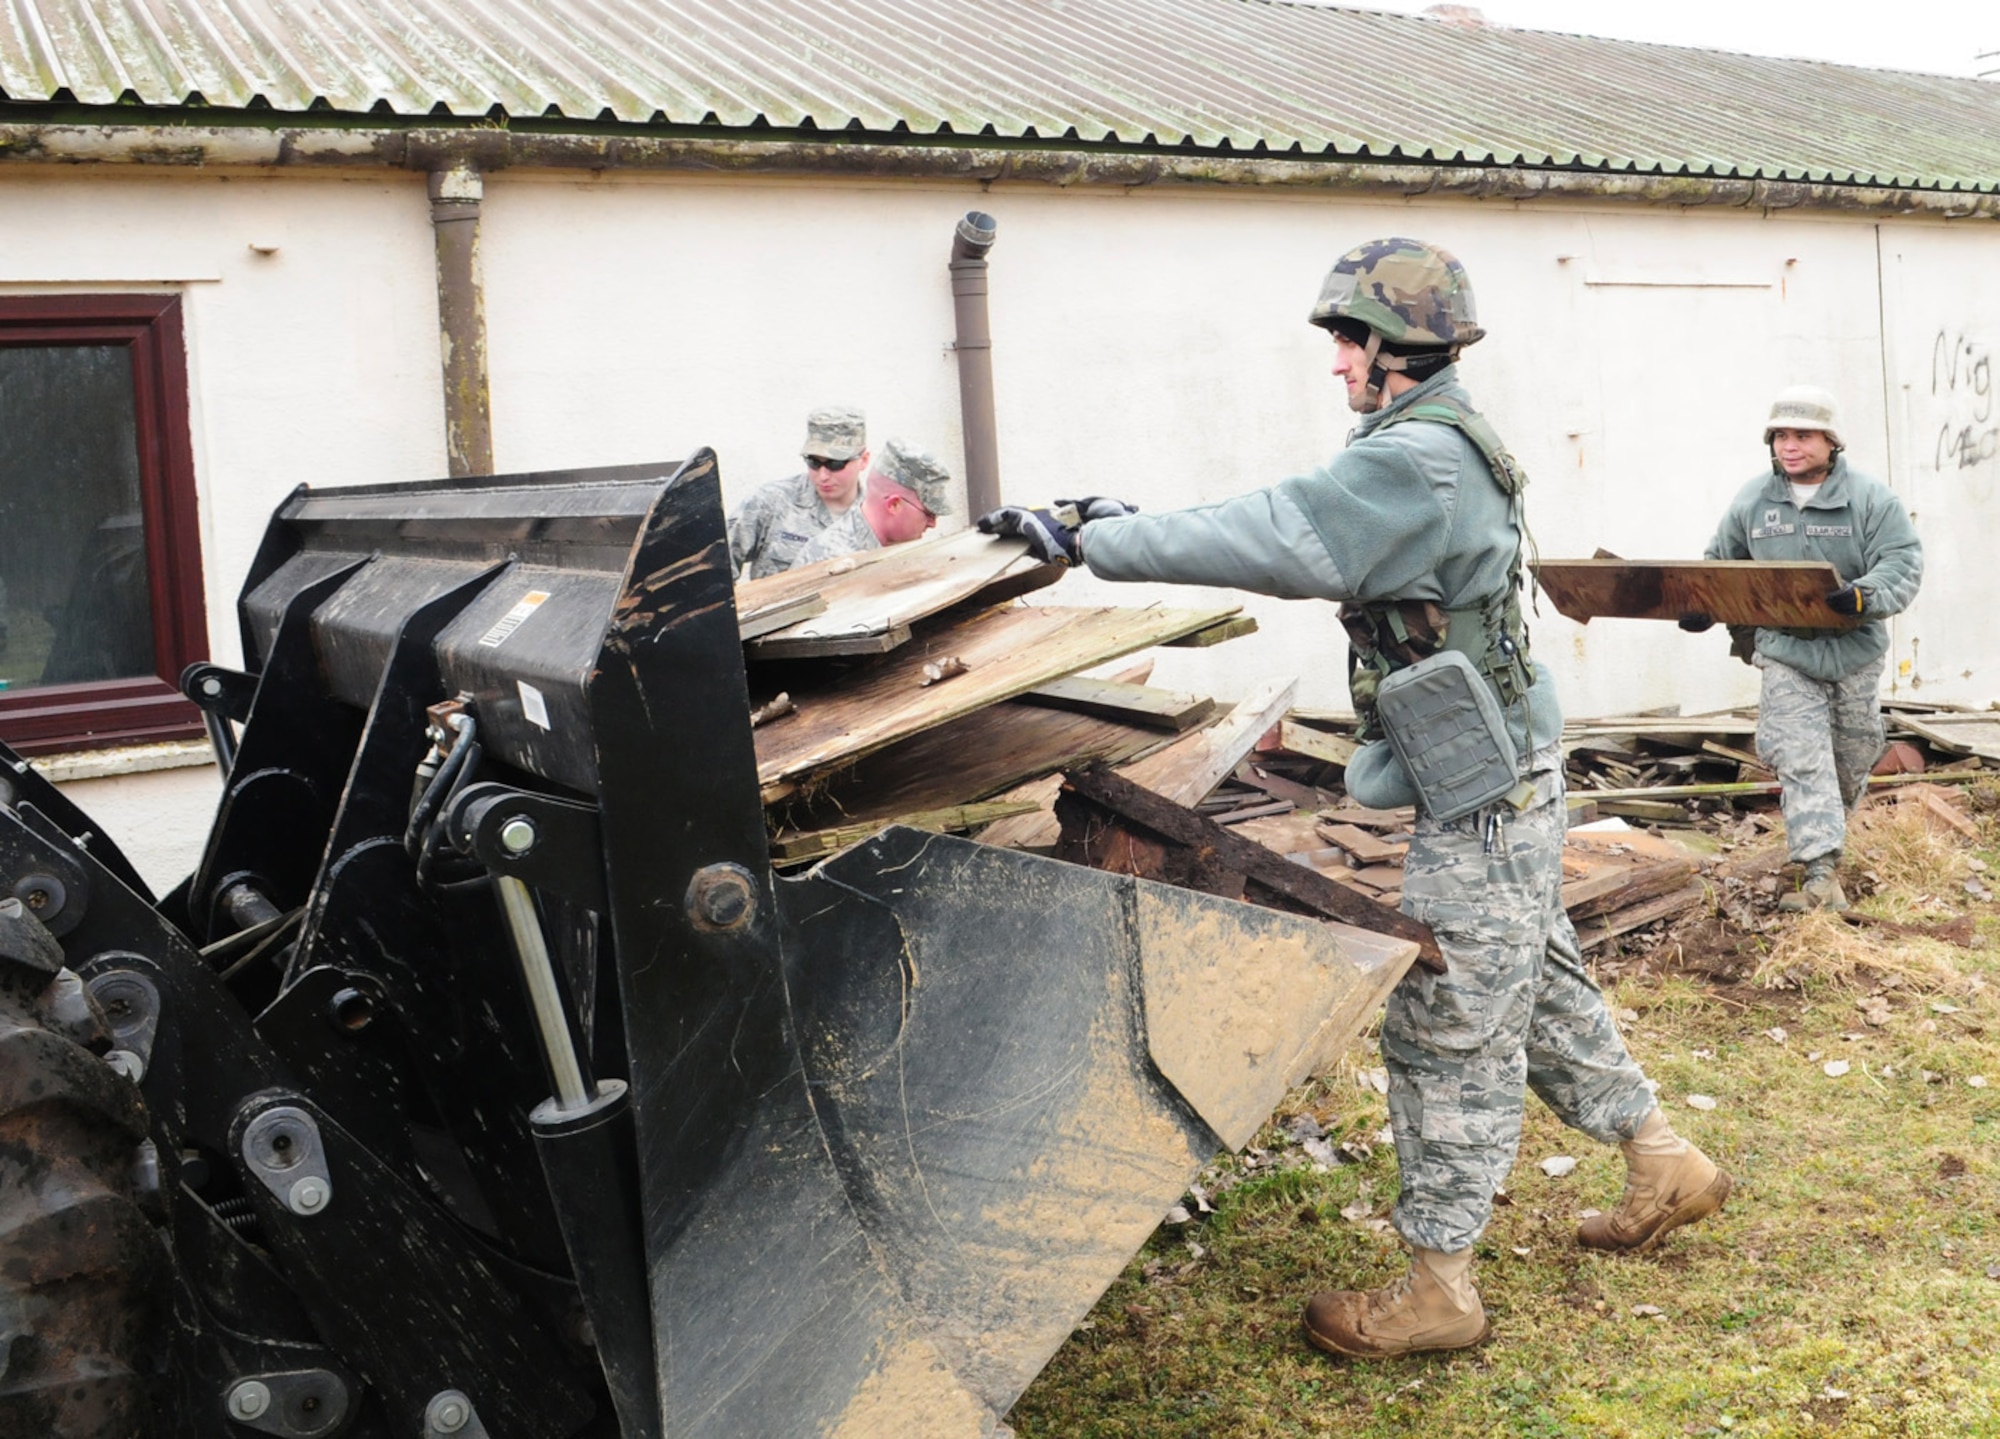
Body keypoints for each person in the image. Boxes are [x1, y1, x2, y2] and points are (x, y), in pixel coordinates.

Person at [979, 238, 1729, 1358]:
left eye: (1345, 341)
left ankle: (1439, 1288)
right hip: (1499, 768)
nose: (1335, 363)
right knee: (1533, 978)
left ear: (1392, 345)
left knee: (1447, 1025)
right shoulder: (1430, 439)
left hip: (1478, 791)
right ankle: (1662, 1157)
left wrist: (1096, 542)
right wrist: (1123, 515)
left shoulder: (1413, 460)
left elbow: (1279, 534)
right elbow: (1293, 506)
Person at [1683, 387, 1922, 912]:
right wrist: (1705, 605)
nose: (1790, 446)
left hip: (1854, 651)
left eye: (1803, 435)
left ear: (1831, 442)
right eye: (1781, 436)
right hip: (1786, 652)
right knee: (1801, 756)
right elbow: (1721, 564)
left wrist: (1864, 595)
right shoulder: (1753, 500)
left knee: (1851, 757)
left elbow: (1902, 561)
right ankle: (1819, 876)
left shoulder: (1870, 499)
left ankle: (1827, 847)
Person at [727, 405, 870, 580]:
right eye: (814, 462)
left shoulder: (877, 518)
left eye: (835, 464)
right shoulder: (771, 502)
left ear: (863, 460)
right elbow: (715, 570)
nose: (823, 475)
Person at [792, 438, 953, 566]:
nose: (932, 524)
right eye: (929, 513)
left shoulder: (888, 549)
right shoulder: (835, 561)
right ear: (894, 505)